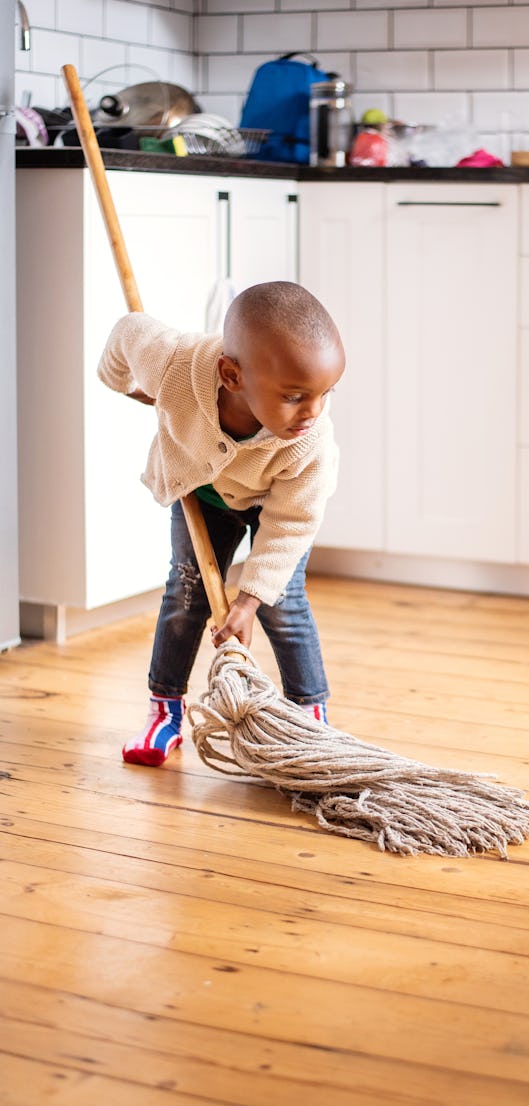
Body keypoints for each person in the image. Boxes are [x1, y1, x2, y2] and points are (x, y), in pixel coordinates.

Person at [97, 281, 345, 767]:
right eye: (295, 396)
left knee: (283, 600)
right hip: (203, 491)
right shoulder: (173, 364)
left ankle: (310, 713)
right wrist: (124, 385)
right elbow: (128, 331)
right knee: (186, 590)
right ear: (231, 375)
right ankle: (164, 710)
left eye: (325, 393)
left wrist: (249, 600)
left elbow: (292, 523)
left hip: (272, 503)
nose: (313, 412)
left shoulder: (310, 442)